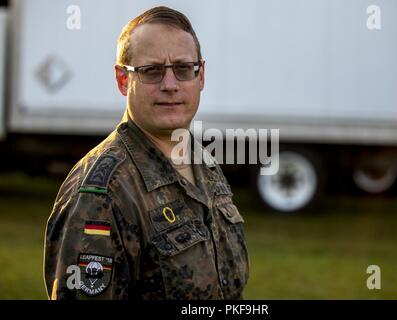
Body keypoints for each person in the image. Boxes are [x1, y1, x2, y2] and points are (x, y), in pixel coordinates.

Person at [44, 6, 249, 300]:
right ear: (122, 80)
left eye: (182, 69)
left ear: (200, 75)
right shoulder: (101, 193)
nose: (170, 85)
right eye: (151, 71)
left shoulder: (203, 163)